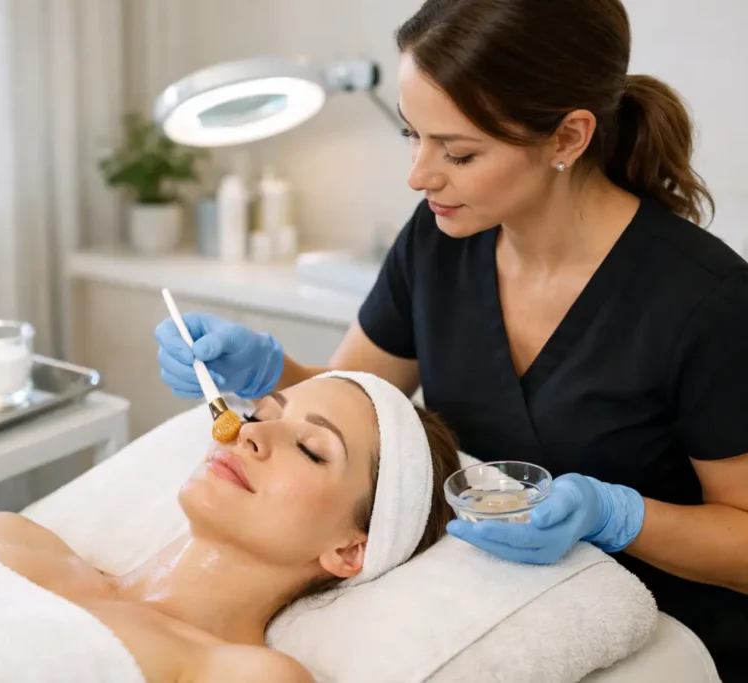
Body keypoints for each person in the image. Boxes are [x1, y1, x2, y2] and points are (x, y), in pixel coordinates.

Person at [155, 1, 748, 678]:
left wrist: (618, 515)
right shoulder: (439, 241)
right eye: (414, 134)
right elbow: (355, 402)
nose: (420, 174)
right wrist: (268, 372)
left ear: (568, 138)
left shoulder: (706, 302)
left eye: (459, 152)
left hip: (661, 642)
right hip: (483, 609)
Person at [0, 373, 459, 683]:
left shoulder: (237, 670)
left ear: (348, 548)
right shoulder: (9, 534)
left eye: (311, 446)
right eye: (263, 411)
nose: (249, 433)